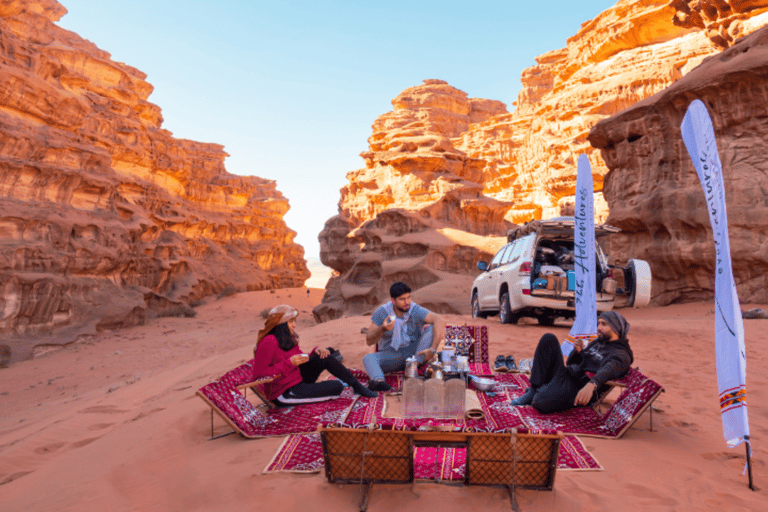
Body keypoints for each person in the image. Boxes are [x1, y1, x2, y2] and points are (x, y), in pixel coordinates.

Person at [252, 304, 377, 406]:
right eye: (290, 322)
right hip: (284, 392)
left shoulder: (286, 338)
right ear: (280, 324)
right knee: (337, 387)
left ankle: (356, 386)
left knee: (323, 356)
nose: (294, 325)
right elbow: (259, 375)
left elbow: (299, 358)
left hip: (298, 378)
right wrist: (289, 363)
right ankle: (317, 390)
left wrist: (315, 351)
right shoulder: (269, 342)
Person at [511, 311, 633, 414]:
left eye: (604, 324)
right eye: (599, 323)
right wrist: (579, 352)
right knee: (548, 338)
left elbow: (609, 369)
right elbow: (571, 363)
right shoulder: (599, 342)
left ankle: (541, 391)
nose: (598, 328)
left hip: (578, 387)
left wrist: (592, 385)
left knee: (539, 403)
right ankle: (533, 390)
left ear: (616, 328)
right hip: (567, 374)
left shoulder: (621, 355)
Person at [363, 282, 445, 392]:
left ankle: (415, 366)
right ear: (393, 301)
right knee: (368, 358)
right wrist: (382, 328)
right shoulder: (382, 312)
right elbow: (369, 340)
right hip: (392, 355)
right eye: (402, 299)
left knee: (431, 328)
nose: (407, 302)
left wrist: (433, 349)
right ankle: (379, 383)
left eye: (408, 297)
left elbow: (439, 320)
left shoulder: (415, 309)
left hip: (416, 354)